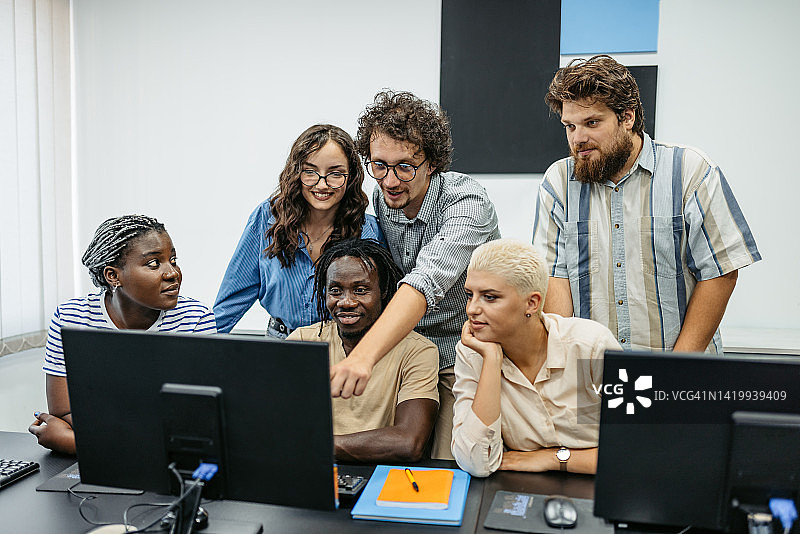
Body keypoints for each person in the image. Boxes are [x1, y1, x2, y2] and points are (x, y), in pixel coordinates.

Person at [532, 55, 760, 353]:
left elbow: (720, 272)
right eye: (570, 127)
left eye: (592, 123)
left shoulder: (690, 170)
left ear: (627, 117)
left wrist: (676, 367)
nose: (578, 139)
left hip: (681, 367)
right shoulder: (559, 181)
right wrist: (562, 364)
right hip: (594, 373)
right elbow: (555, 276)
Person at [328, 90, 501, 460]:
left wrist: (364, 357)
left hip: (462, 352)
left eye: (405, 166)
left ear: (432, 163)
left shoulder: (468, 203)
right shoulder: (385, 199)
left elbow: (425, 280)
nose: (390, 181)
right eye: (379, 165)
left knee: (448, 463)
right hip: (408, 351)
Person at [29, 215, 216, 455]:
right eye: (154, 263)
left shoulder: (195, 318)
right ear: (113, 276)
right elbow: (63, 412)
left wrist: (75, 442)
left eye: (173, 260)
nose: (173, 273)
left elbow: (196, 425)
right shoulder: (71, 317)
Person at [451, 239, 621, 477]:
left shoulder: (591, 346)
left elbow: (642, 450)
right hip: (521, 491)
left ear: (532, 303)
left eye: (489, 297)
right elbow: (476, 463)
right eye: (470, 295)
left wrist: (553, 459)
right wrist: (491, 361)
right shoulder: (472, 353)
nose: (471, 309)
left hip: (605, 487)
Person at [214, 124, 384, 338]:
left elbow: (383, 306)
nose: (322, 184)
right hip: (280, 345)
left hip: (345, 347)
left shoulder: (368, 230)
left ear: (351, 177)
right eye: (310, 172)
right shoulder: (266, 219)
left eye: (335, 173)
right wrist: (198, 353)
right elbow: (232, 299)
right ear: (296, 172)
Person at [287, 238, 439, 462]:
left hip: (381, 474)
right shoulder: (303, 341)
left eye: (360, 290)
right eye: (336, 291)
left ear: (384, 291)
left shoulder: (417, 351)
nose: (346, 302)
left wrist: (316, 444)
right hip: (313, 469)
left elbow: (409, 442)